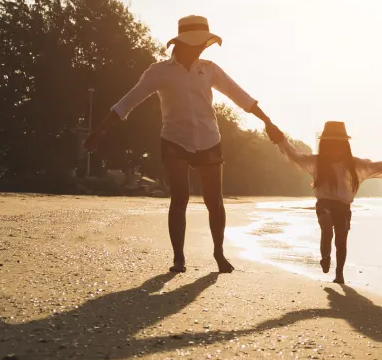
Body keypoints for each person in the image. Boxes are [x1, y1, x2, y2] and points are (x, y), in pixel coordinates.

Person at [84, 15, 283, 274]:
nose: (202, 48)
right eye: (198, 44)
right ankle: (179, 258)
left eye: (204, 44)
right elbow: (129, 101)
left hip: (209, 139)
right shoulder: (159, 72)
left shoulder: (209, 69)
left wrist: (268, 122)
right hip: (174, 140)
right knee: (180, 198)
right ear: (183, 44)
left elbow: (240, 96)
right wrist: (100, 130)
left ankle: (219, 254)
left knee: (215, 201)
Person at [272, 121, 382, 285]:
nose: (335, 148)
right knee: (326, 229)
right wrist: (281, 140)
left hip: (343, 207)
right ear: (325, 144)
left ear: (344, 145)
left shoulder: (352, 163)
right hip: (324, 204)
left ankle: (339, 274)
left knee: (341, 241)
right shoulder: (317, 161)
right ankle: (325, 256)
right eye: (331, 144)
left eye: (339, 144)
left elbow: (372, 166)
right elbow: (296, 155)